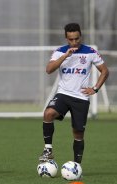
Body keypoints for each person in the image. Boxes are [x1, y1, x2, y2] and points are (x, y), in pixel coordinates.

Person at [39, 23, 109, 164]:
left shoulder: (90, 52)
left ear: (80, 36)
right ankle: (48, 150)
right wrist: (65, 56)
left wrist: (95, 89)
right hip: (63, 94)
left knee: (78, 133)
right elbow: (49, 69)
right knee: (48, 114)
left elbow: (105, 71)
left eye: (77, 38)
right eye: (71, 39)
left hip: (81, 98)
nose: (74, 42)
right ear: (66, 38)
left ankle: (77, 165)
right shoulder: (60, 52)